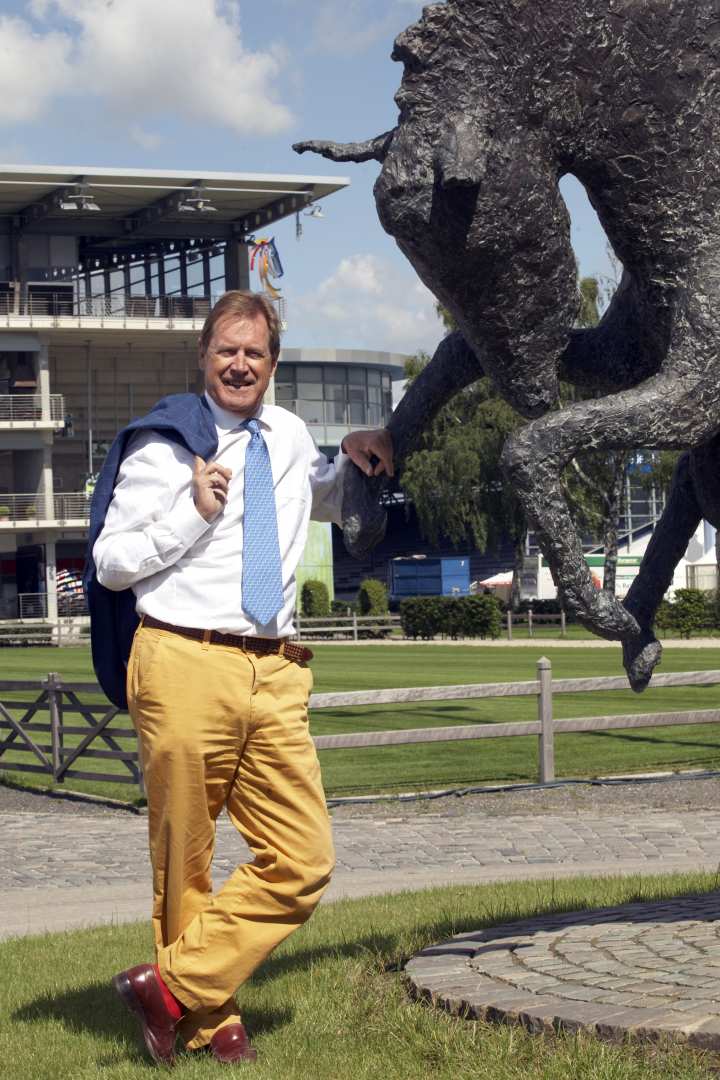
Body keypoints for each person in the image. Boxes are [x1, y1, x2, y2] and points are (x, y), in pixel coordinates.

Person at [91, 290, 393, 1066]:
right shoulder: (166, 445)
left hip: (277, 670)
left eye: (254, 353)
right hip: (184, 660)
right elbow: (113, 563)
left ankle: (168, 986)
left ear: (273, 363)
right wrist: (191, 511)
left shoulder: (288, 434)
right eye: (227, 349)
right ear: (203, 354)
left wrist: (359, 449)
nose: (239, 363)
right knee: (185, 860)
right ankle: (207, 1021)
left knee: (303, 858)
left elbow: (321, 495)